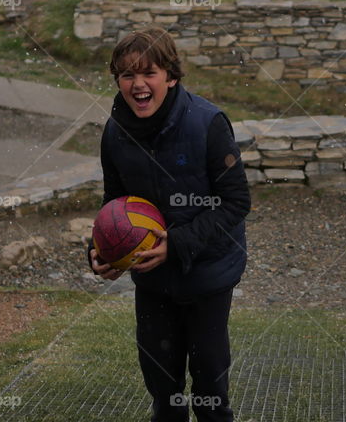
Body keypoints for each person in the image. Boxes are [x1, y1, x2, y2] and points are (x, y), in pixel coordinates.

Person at [88, 26, 250, 422]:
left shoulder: (208, 123)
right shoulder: (115, 132)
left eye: (149, 73)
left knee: (210, 387)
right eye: (128, 75)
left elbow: (235, 202)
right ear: (118, 81)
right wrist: (99, 252)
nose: (138, 84)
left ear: (171, 77)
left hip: (207, 275)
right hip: (153, 283)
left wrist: (175, 244)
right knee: (163, 390)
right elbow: (114, 204)